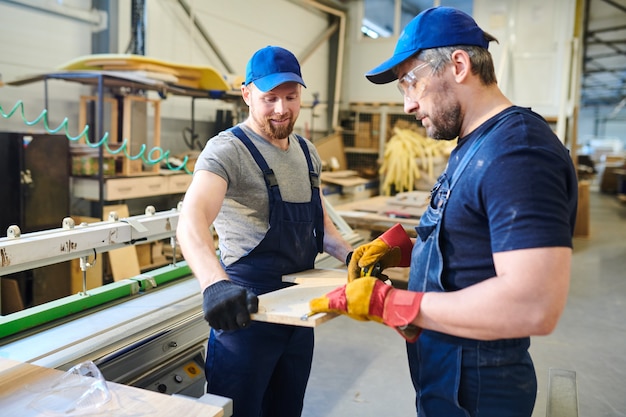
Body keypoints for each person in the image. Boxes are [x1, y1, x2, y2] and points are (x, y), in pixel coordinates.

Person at [309, 7, 578, 417]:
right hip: (447, 371)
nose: (407, 105)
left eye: (410, 83)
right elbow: (474, 241)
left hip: (480, 385)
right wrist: (405, 250)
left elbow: (534, 305)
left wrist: (394, 303)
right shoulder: (475, 144)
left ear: (458, 65)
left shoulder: (518, 151)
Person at [176, 45, 353, 417]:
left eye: (290, 97)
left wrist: (351, 254)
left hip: (299, 311)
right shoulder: (226, 151)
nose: (281, 109)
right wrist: (214, 284)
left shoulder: (308, 152)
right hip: (244, 312)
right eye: (269, 98)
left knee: (287, 409)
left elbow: (320, 221)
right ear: (247, 94)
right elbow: (191, 220)